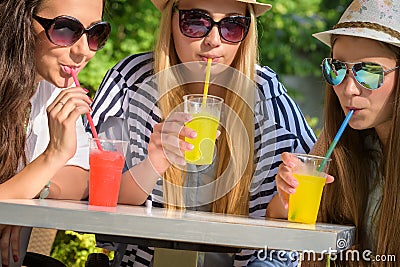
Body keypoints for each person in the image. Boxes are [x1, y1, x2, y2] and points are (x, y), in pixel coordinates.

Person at [89, 0, 315, 266]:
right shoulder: (130, 83)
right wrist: (153, 164)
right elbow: (95, 197)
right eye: (196, 22)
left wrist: (292, 185)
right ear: (170, 20)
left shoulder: (265, 95)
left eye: (232, 26)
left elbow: (300, 197)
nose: (213, 40)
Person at [268, 0, 400, 265]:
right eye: (337, 69)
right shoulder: (337, 153)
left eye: (370, 72)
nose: (349, 89)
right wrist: (286, 203)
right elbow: (280, 240)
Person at [0, 0, 110, 265]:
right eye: (65, 30)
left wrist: (31, 193)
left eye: (95, 34)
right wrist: (53, 156)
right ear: (21, 22)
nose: (84, 51)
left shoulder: (53, 90)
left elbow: (83, 177)